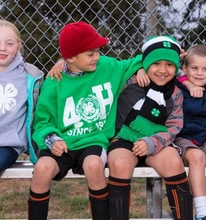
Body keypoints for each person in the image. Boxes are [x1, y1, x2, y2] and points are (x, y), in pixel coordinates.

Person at [27, 21, 143, 220]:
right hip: (62, 143)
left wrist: (142, 67)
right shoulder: (54, 81)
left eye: (98, 51)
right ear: (70, 57)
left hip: (93, 141)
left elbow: (141, 60)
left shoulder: (107, 66)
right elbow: (42, 122)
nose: (97, 57)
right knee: (42, 169)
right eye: (91, 54)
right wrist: (52, 140)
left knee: (93, 165)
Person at [107, 36, 193, 220]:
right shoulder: (129, 80)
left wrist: (152, 142)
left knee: (173, 161)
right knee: (119, 163)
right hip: (124, 139)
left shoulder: (175, 93)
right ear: (146, 64)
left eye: (169, 65)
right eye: (156, 64)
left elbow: (174, 127)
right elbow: (101, 65)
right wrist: (138, 67)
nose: (163, 70)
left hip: (156, 142)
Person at [174, 45, 206, 220]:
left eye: (205, 69)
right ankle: (202, 212)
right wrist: (185, 80)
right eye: (194, 68)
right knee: (197, 157)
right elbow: (169, 72)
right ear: (185, 69)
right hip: (182, 136)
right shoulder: (178, 84)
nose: (199, 73)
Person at [0, 19, 44, 172]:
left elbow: (63, 74)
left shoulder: (30, 75)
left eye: (9, 44)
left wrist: (60, 63)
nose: (2, 48)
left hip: (8, 144)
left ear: (18, 46)